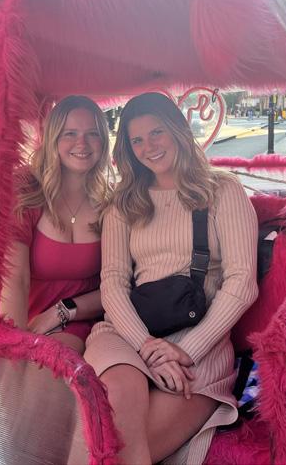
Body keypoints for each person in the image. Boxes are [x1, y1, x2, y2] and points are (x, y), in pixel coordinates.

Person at [84, 92, 258, 464]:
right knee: (108, 409)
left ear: (177, 130)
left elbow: (242, 282)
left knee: (119, 450)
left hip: (200, 342)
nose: (149, 147)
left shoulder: (222, 190)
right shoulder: (123, 203)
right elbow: (113, 283)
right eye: (137, 140)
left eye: (157, 132)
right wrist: (146, 347)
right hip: (127, 333)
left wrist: (186, 350)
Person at [2, 95, 113, 353]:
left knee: (50, 362)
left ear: (103, 141)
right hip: (20, 316)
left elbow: (117, 288)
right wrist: (15, 343)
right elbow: (15, 278)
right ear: (52, 138)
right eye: (69, 133)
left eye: (92, 134)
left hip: (79, 320)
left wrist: (61, 311)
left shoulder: (111, 203)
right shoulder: (26, 190)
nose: (81, 143)